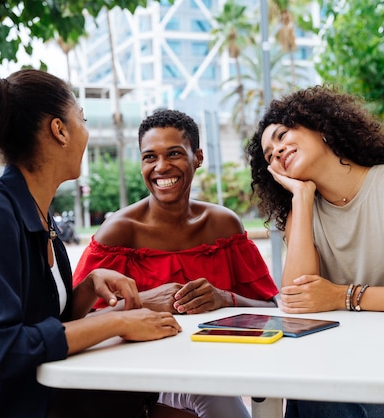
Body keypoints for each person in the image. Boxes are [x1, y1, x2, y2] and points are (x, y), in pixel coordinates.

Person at [0, 69, 184, 418]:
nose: (85, 131)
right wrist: (116, 323)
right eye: (81, 118)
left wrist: (86, 290)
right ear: (59, 130)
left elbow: (40, 329)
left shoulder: (37, 214)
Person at [246, 85, 384, 418]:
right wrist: (301, 200)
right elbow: (298, 307)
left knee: (323, 397)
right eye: (270, 155)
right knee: (309, 391)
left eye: (283, 135)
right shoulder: (300, 217)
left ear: (322, 127)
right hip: (350, 363)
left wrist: (344, 296)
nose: (278, 151)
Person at [73, 109, 279, 418]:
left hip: (215, 368)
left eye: (173, 154)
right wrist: (143, 303)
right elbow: (76, 323)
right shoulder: (119, 230)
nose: (161, 167)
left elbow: (274, 311)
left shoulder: (223, 225)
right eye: (149, 157)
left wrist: (225, 298)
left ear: (197, 157)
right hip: (139, 378)